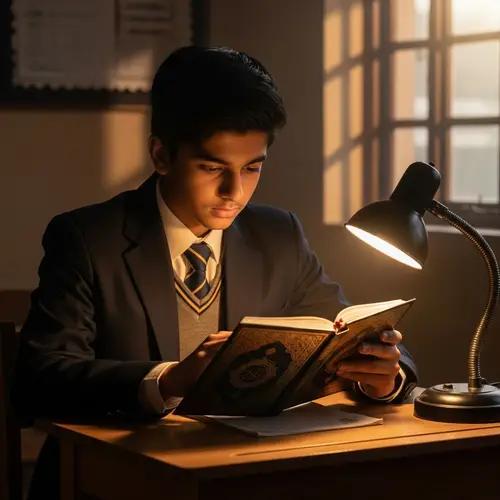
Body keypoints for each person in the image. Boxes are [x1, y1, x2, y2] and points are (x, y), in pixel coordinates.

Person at [12, 45, 417, 500]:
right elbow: (39, 380)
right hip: (108, 479)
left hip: (242, 475)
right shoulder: (87, 237)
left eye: (252, 168)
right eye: (212, 167)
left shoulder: (278, 234)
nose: (234, 192)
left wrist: (383, 378)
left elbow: (347, 327)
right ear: (162, 155)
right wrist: (168, 380)